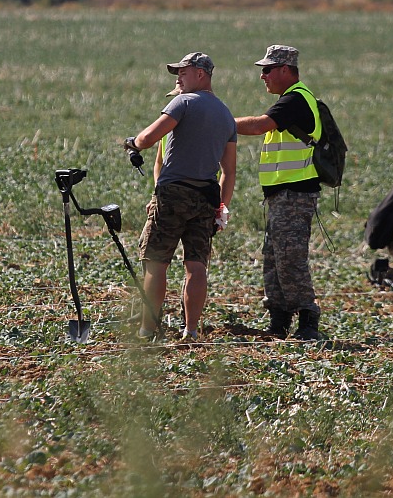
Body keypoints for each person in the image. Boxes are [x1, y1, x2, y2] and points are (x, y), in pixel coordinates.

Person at [124, 52, 236, 342]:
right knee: (196, 265)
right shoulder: (225, 114)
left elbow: (148, 139)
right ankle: (191, 330)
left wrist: (132, 143)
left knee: (157, 262)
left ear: (201, 74)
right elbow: (229, 171)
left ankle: (148, 329)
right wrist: (221, 208)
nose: (178, 78)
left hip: (173, 195)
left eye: (183, 73)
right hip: (206, 197)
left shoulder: (183, 102)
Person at [234, 44, 325, 341]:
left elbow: (260, 125)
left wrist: (215, 122)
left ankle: (308, 319)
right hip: (281, 195)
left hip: (295, 194)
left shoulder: (296, 99)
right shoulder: (290, 100)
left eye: (267, 69)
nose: (262, 76)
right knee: (273, 258)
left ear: (285, 70)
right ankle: (279, 320)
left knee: (290, 257)